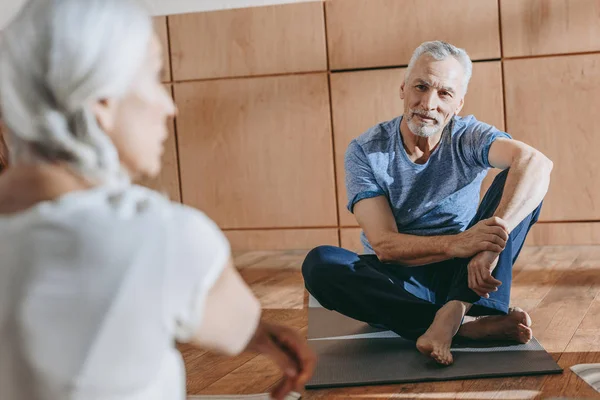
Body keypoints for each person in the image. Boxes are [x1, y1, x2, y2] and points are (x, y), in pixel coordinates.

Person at [0, 1, 315, 399]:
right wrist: (262, 334)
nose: (170, 106)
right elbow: (236, 326)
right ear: (102, 100)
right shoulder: (158, 234)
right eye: (153, 77)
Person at [302, 41, 553, 366]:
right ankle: (463, 328)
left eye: (445, 93)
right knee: (320, 263)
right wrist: (459, 243)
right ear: (404, 89)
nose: (428, 103)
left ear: (459, 103)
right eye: (421, 87)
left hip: (466, 277)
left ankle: (455, 310)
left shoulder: (467, 136)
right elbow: (385, 245)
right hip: (396, 282)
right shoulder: (366, 151)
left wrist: (490, 246)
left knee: (523, 180)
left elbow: (536, 163)